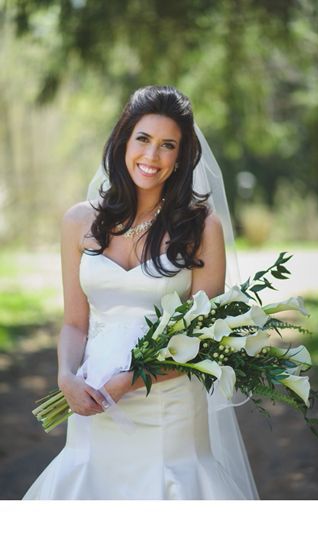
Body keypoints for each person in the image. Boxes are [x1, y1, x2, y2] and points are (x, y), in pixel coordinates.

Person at [24, 86, 257, 499]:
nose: (152, 157)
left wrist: (132, 380)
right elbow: (75, 323)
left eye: (168, 146)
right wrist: (65, 378)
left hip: (169, 407)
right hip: (93, 398)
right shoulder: (78, 222)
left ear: (182, 157)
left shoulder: (203, 229)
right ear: (123, 141)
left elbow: (203, 339)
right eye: (143, 140)